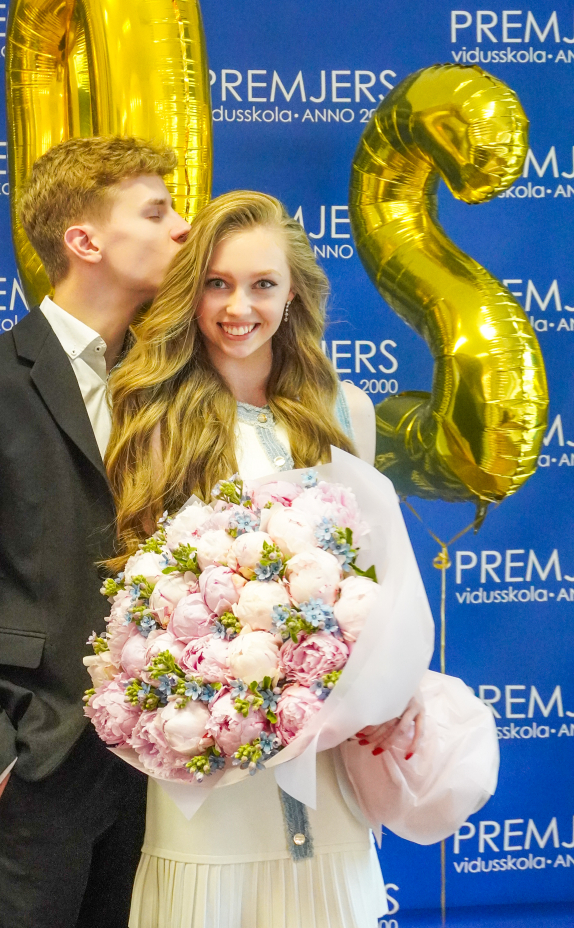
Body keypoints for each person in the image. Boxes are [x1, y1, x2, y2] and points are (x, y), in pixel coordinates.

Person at [105, 190, 421, 928]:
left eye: (262, 284)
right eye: (216, 283)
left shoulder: (345, 410)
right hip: (206, 758)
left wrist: (385, 682)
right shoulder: (149, 412)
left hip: (327, 754)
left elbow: (373, 574)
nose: (237, 307)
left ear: (293, 294)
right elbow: (140, 587)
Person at [0, 136, 190, 928]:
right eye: (155, 212)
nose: (182, 227)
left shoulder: (170, 390)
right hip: (37, 757)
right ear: (84, 241)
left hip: (161, 765)